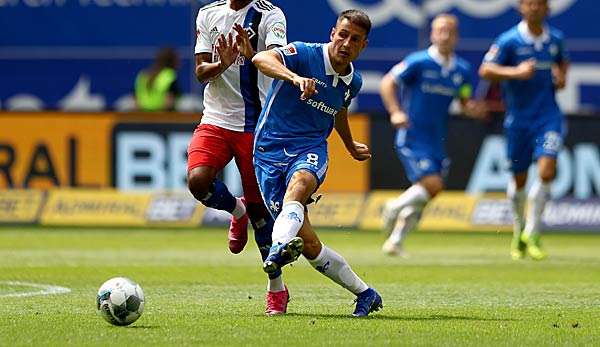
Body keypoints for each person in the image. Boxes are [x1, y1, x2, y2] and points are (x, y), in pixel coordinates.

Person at [251, 9, 383, 317]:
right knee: (310, 245)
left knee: (299, 186)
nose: (346, 43)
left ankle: (277, 248)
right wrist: (294, 77)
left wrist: (349, 145)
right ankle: (366, 293)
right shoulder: (303, 53)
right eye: (343, 35)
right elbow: (261, 60)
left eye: (355, 39)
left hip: (310, 148)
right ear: (332, 34)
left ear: (363, 46)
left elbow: (338, 111)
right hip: (268, 150)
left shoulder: (353, 81)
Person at [188, 0, 290, 315]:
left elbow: (279, 61)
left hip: (255, 124)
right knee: (198, 181)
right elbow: (200, 71)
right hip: (216, 119)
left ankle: (276, 286)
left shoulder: (270, 15)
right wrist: (223, 63)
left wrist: (252, 57)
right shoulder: (208, 13)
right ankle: (237, 209)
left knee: (263, 215)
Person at [379, 14, 487, 257]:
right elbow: (388, 82)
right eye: (440, 30)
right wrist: (395, 112)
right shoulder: (418, 61)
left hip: (437, 138)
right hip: (412, 135)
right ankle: (392, 207)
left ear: (456, 36)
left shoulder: (462, 70)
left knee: (425, 194)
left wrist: (473, 109)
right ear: (432, 34)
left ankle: (395, 241)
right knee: (433, 185)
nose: (445, 35)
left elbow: (464, 100)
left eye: (450, 31)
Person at [479, 0, 569, 260]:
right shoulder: (509, 40)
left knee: (547, 169)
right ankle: (519, 229)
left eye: (539, 4)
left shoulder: (556, 39)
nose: (534, 8)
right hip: (518, 120)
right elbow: (485, 69)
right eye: (529, 3)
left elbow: (562, 63)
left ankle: (533, 231)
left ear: (547, 9)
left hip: (548, 116)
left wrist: (561, 77)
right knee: (518, 180)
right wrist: (516, 72)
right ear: (521, 8)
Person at [134, 47, 181, 111]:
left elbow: (136, 102)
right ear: (173, 61)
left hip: (142, 115)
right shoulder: (169, 75)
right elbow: (169, 103)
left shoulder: (142, 75)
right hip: (162, 116)